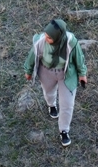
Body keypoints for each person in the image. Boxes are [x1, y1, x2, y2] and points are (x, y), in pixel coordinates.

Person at [23, 18, 88, 146]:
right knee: (48, 92)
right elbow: (32, 55)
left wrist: (82, 74)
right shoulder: (41, 41)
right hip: (46, 71)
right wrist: (29, 71)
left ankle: (64, 130)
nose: (46, 38)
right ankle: (51, 105)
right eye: (46, 35)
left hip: (66, 74)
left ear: (58, 37)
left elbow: (79, 58)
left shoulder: (70, 41)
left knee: (67, 104)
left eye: (49, 37)